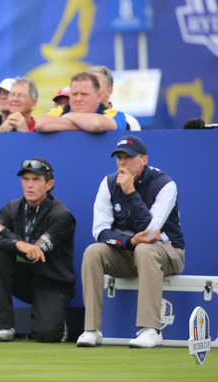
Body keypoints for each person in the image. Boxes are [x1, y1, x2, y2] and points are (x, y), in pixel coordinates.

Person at [76, 135, 185, 348]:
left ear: (143, 159)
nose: (122, 162)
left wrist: (130, 192)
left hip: (168, 252)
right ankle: (92, 329)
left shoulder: (165, 184)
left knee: (145, 249)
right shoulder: (108, 183)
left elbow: (151, 232)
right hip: (130, 252)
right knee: (93, 251)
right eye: (119, 157)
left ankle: (151, 330)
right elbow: (100, 231)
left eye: (129, 157)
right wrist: (129, 242)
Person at [0, 158, 76, 343]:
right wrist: (18, 244)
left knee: (47, 335)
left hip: (52, 283)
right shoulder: (11, 208)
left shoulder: (61, 215)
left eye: (36, 179)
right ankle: (3, 327)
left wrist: (3, 231)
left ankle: (56, 320)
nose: (29, 185)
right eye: (25, 179)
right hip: (23, 280)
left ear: (49, 184)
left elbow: (36, 252)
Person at [36, 72, 133, 133]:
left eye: (84, 94)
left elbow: (97, 125)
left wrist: (70, 116)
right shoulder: (59, 111)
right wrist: (86, 126)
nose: (78, 99)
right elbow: (41, 124)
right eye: (74, 94)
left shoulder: (114, 114)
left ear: (98, 96)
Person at [85, 65, 140, 131]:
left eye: (96, 86)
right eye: (86, 87)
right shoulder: (71, 121)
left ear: (109, 91)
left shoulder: (128, 122)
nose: (89, 91)